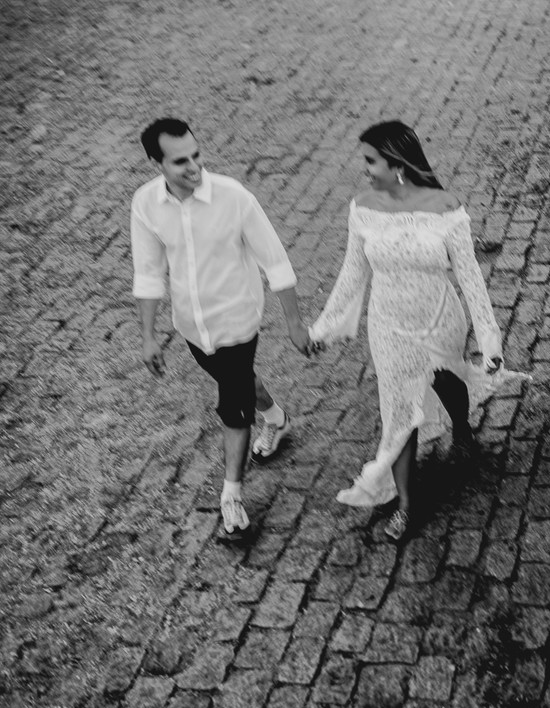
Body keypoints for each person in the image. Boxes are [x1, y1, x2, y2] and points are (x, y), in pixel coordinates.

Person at [308, 119, 526, 540]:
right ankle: (407, 503)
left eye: (371, 161)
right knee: (397, 410)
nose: (365, 169)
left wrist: (489, 338)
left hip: (439, 318)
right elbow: (352, 272)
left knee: (447, 382)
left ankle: (461, 428)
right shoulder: (362, 208)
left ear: (397, 163)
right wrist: (324, 328)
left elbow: (470, 277)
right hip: (388, 325)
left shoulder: (446, 208)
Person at [131, 117, 314, 538]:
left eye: (196, 155)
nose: (194, 167)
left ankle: (231, 496)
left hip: (237, 320)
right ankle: (277, 418)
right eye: (180, 161)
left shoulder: (234, 197)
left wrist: (294, 323)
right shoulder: (145, 204)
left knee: (233, 402)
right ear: (157, 163)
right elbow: (148, 273)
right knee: (239, 379)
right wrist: (148, 335)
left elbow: (276, 262)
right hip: (193, 326)